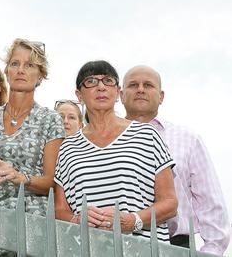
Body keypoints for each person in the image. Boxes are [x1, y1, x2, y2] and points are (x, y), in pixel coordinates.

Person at [54, 60, 177, 242]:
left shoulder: (147, 134)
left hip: (143, 251)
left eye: (108, 80)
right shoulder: (68, 147)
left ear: (118, 92)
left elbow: (170, 202)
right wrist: (77, 220)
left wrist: (132, 221)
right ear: (79, 95)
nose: (101, 87)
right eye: (91, 81)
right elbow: (59, 210)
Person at [0, 40, 63, 257]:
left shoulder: (50, 119)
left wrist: (21, 177)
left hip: (32, 225)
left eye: (29, 65)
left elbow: (53, 182)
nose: (20, 70)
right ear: (6, 72)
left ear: (41, 75)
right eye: (14, 63)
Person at [120, 65, 230, 254]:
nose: (140, 89)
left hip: (175, 246)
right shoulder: (105, 140)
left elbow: (209, 201)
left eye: (148, 85)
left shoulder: (187, 139)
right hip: (115, 244)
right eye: (133, 85)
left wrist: (212, 251)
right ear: (121, 95)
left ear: (161, 96)